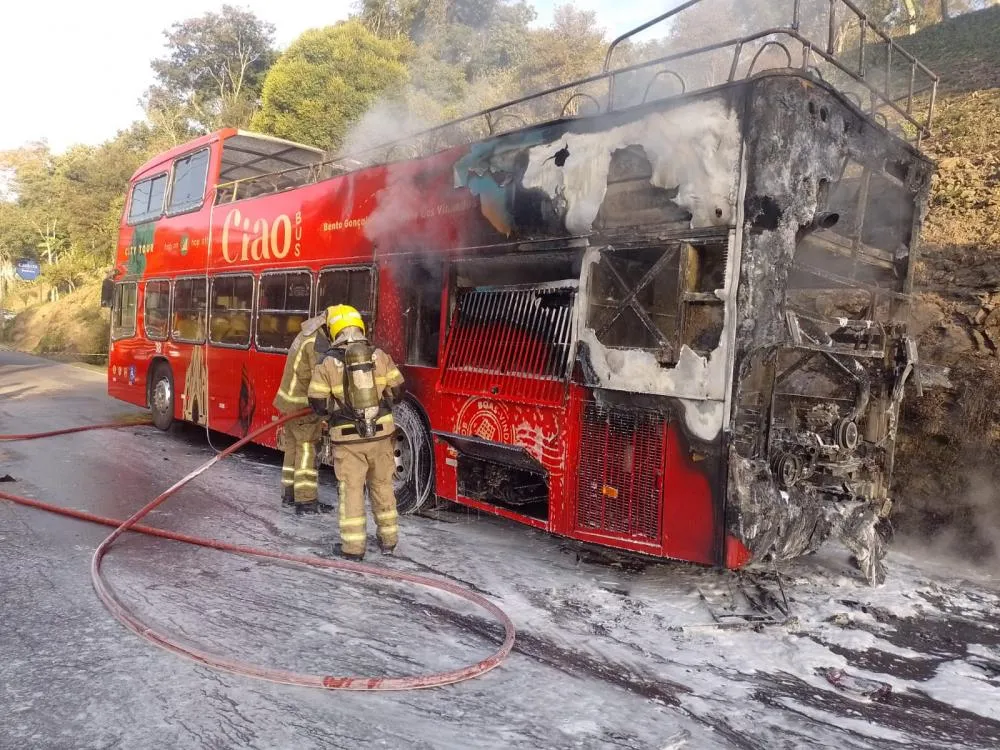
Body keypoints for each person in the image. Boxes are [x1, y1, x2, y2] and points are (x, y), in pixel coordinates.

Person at [307, 304, 405, 560]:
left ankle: (353, 548)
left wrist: (337, 411)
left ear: (334, 330)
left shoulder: (327, 362)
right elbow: (398, 392)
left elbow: (318, 404)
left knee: (351, 491)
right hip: (382, 435)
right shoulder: (380, 355)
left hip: (348, 439)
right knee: (382, 486)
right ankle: (389, 541)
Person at [272, 310, 334, 515]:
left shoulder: (306, 333)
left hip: (289, 402)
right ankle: (306, 500)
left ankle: (289, 494)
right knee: (307, 450)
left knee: (292, 449)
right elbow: (321, 378)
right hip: (302, 407)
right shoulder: (318, 342)